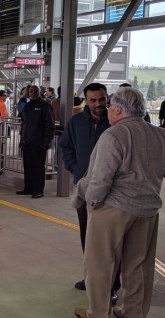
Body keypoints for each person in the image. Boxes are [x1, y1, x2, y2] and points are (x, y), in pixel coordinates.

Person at [73, 87, 165, 318]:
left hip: (113, 209)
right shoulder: (164, 135)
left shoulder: (114, 135)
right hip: (148, 210)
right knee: (139, 267)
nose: (107, 110)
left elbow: (100, 179)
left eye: (109, 106)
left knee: (100, 265)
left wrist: (91, 203)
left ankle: (99, 313)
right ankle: (132, 312)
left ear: (118, 109)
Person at [59, 83, 119, 304]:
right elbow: (66, 147)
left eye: (102, 99)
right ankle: (91, 278)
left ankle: (112, 285)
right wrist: (76, 169)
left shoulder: (115, 123)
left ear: (107, 98)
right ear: (85, 100)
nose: (98, 105)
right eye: (93, 100)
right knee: (88, 237)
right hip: (85, 190)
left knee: (111, 241)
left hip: (112, 193)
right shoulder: (76, 123)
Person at [17, 85, 54, 198]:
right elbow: (24, 124)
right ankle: (28, 188)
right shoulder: (27, 106)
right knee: (28, 166)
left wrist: (46, 141)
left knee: (38, 167)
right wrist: (22, 139)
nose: (32, 93)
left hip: (39, 142)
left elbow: (49, 125)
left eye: (35, 91)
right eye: (31, 91)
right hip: (27, 142)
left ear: (39, 92)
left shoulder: (44, 105)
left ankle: (38, 190)